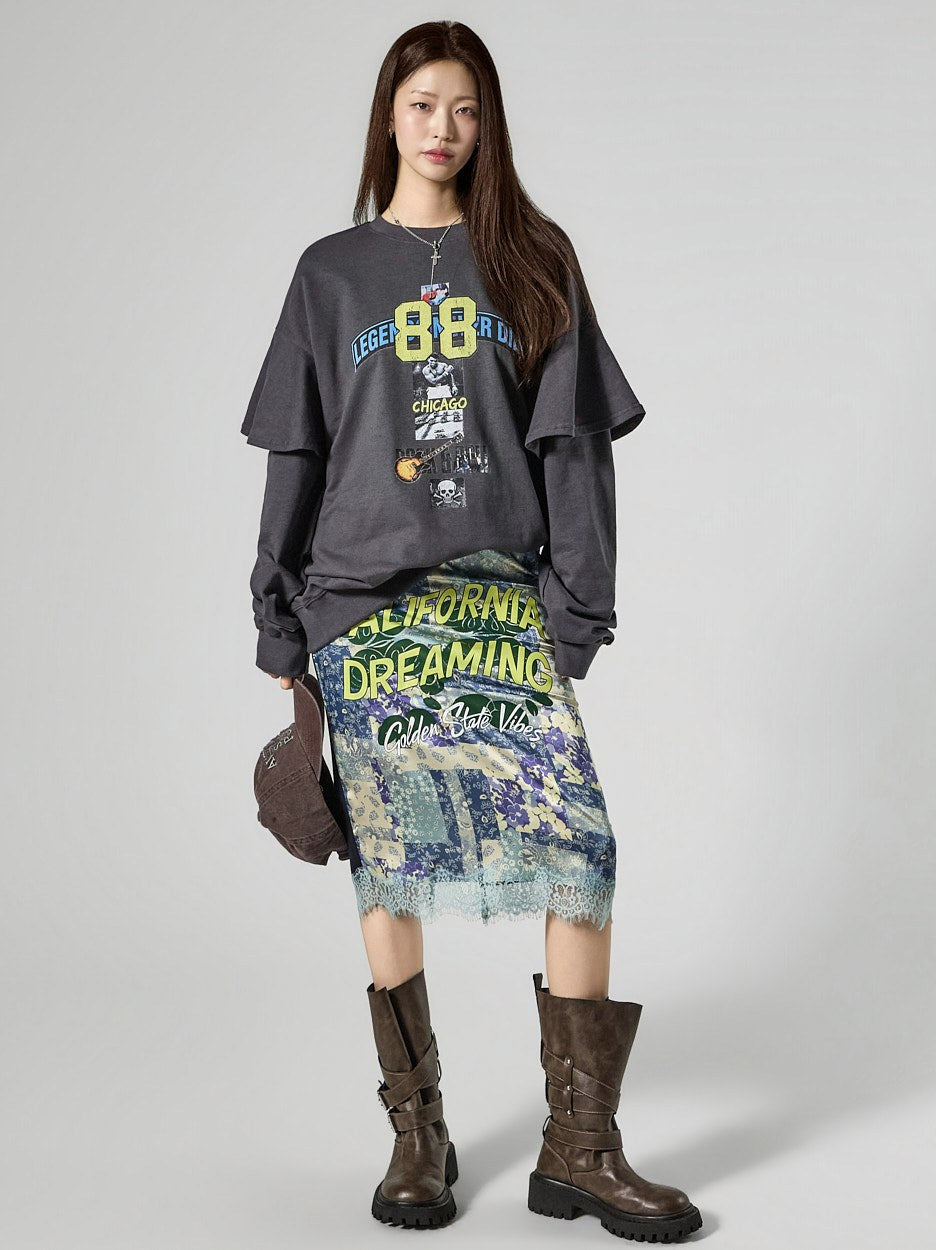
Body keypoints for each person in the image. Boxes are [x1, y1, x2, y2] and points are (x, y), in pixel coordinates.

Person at [240, 20, 702, 1242]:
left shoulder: (532, 258)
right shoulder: (331, 273)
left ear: (486, 124)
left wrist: (575, 611)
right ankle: (418, 1132)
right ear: (388, 116)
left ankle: (580, 1148)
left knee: (579, 849)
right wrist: (277, 613)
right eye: (421, 104)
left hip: (498, 597)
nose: (441, 128)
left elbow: (575, 447)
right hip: (364, 601)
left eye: (465, 109)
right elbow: (297, 450)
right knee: (387, 859)